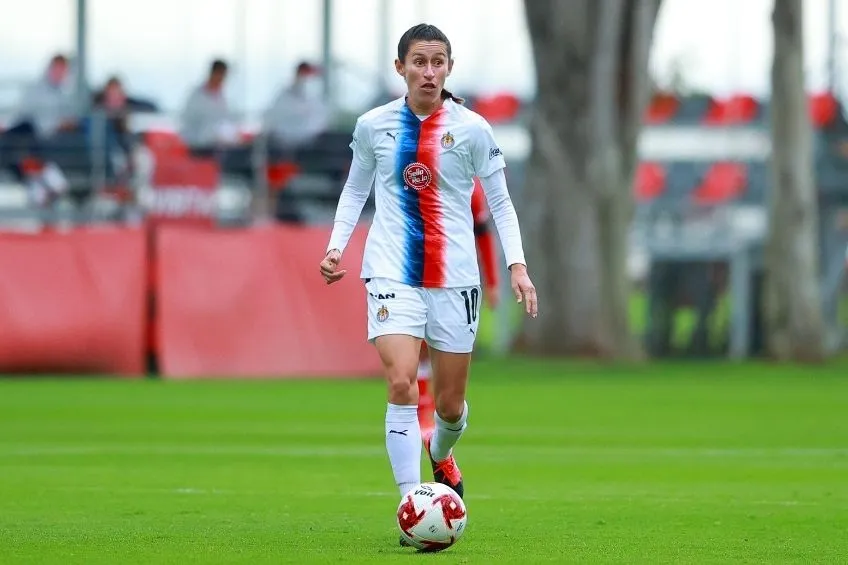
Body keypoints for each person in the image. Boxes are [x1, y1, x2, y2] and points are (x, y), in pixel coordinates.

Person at [318, 23, 537, 545]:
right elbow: (355, 190)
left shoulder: (473, 129)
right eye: (419, 61)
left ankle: (440, 454)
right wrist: (335, 246)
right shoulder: (373, 126)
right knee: (400, 384)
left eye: (438, 62)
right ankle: (411, 502)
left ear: (449, 69)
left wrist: (518, 265)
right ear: (401, 68)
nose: (429, 71)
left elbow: (501, 204)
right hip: (391, 271)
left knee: (449, 406)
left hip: (456, 278)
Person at [417, 177, 500, 434]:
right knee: (417, 337)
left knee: (449, 347)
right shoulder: (418, 173)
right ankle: (422, 403)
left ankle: (443, 412)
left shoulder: (470, 186)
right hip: (416, 270)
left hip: (457, 278)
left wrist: (493, 281)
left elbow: (483, 232)